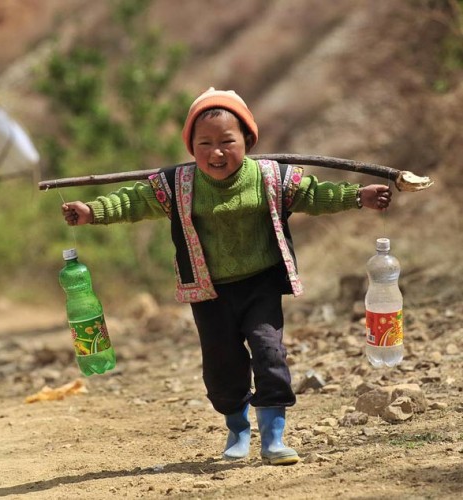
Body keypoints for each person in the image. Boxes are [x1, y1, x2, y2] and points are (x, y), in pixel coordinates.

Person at [61, 87, 392, 465]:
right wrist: (91, 211)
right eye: (204, 143)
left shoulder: (270, 178)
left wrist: (356, 196)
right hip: (209, 290)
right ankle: (237, 429)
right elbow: (132, 201)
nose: (216, 152)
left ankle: (273, 437)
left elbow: (315, 194)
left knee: (270, 352)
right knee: (222, 365)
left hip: (261, 284)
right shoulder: (177, 185)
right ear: (191, 147)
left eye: (226, 142)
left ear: (247, 141)